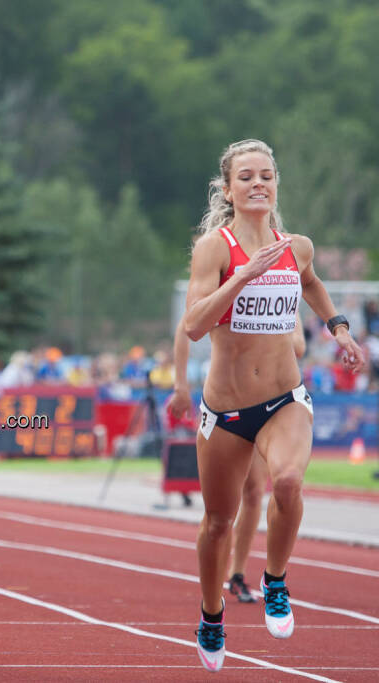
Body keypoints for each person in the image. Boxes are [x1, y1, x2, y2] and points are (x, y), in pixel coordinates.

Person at [184, 139, 363, 672]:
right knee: (219, 522)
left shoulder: (296, 246)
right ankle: (212, 613)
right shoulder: (213, 249)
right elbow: (193, 325)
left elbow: (312, 284)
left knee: (287, 482)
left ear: (276, 183)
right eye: (246, 177)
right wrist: (241, 276)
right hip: (227, 412)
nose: (257, 183)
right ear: (228, 189)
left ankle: (276, 580)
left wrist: (339, 329)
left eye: (266, 175)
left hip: (285, 398)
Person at [167, 314, 306, 605]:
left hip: (270, 402)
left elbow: (299, 346)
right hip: (227, 401)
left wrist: (268, 333)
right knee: (221, 514)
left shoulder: (283, 287)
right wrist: (181, 386)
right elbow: (186, 328)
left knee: (255, 489)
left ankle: (239, 573)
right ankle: (213, 595)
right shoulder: (224, 283)